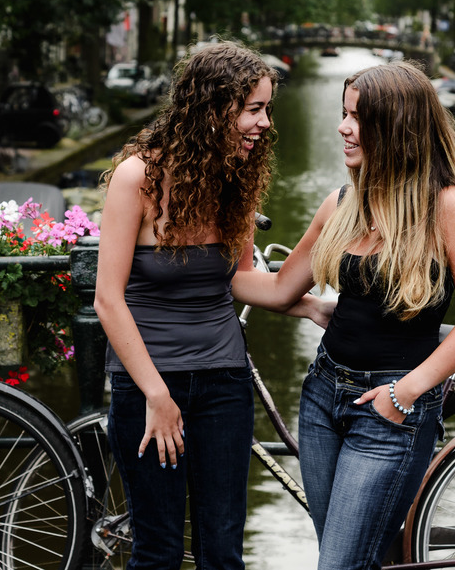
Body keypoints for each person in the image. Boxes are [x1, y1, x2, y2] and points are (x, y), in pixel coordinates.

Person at [231, 61, 455, 570]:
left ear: (397, 127)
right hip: (322, 396)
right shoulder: (342, 204)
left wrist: (403, 393)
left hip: (391, 411)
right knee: (346, 559)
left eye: (357, 118)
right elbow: (276, 289)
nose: (343, 127)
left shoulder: (448, 207)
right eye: (343, 114)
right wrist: (228, 215)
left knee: (339, 565)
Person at [94, 41, 330, 570]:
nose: (265, 123)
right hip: (150, 383)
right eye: (254, 109)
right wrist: (156, 395)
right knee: (156, 551)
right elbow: (108, 300)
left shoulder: (233, 179)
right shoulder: (140, 178)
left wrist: (311, 306)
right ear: (211, 107)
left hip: (224, 382)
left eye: (267, 108)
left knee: (222, 552)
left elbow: (244, 280)